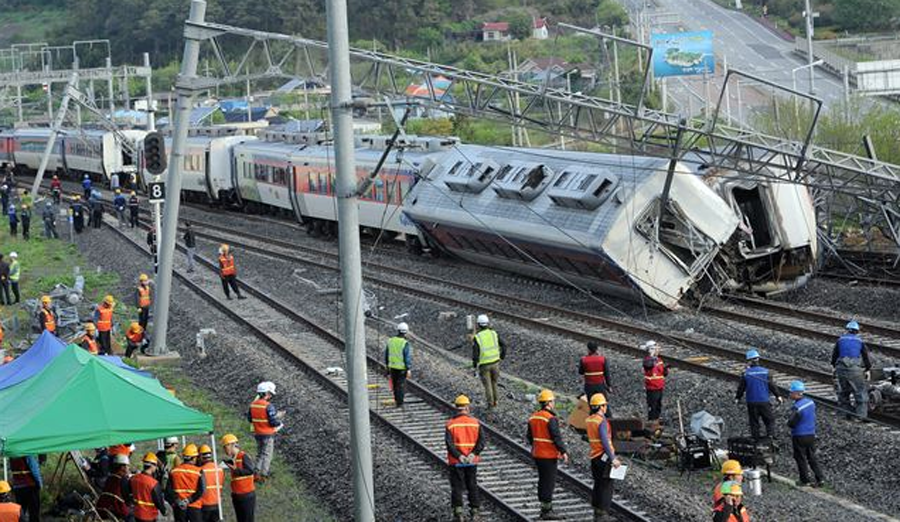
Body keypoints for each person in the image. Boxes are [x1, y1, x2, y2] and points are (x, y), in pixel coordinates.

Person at [526, 389, 568, 520]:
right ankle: (546, 510)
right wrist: (563, 451)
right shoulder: (551, 418)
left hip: (537, 454)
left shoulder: (533, 417)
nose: (554, 403)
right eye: (553, 401)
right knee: (548, 482)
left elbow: (529, 437)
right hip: (548, 455)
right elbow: (556, 437)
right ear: (549, 403)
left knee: (542, 479)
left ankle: (544, 507)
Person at [446, 395, 484, 522]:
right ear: (467, 407)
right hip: (472, 461)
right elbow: (481, 442)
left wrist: (459, 456)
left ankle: (459, 514)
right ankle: (475, 513)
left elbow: (449, 444)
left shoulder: (451, 424)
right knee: (472, 485)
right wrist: (473, 454)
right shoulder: (475, 423)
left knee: (457, 486)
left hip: (457, 461)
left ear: (456, 407)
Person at [586, 393, 620, 522]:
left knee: (598, 483)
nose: (606, 407)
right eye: (605, 405)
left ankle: (596, 511)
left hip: (594, 455)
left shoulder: (590, 419)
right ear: (601, 407)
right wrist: (613, 458)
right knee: (606, 485)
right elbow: (605, 441)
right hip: (604, 456)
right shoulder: (602, 421)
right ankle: (603, 514)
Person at [735, 349, 783, 440]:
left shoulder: (746, 374)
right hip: (764, 401)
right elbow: (772, 385)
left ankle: (756, 442)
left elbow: (741, 387)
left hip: (751, 402)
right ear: (758, 360)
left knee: (754, 422)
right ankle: (770, 438)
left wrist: (738, 397)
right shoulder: (766, 372)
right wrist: (778, 396)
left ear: (749, 361)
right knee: (769, 420)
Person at [832, 321, 872, 419]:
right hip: (855, 370)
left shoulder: (840, 340)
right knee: (860, 393)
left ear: (847, 330)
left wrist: (834, 366)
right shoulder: (859, 341)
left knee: (843, 392)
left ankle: (843, 415)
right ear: (857, 331)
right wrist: (868, 369)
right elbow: (865, 356)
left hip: (841, 368)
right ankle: (860, 417)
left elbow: (834, 355)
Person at [787, 381, 824, 488]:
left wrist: (788, 422)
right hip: (811, 434)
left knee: (800, 458)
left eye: (791, 392)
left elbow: (792, 423)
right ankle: (820, 478)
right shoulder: (811, 402)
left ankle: (805, 480)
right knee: (812, 457)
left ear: (797, 393)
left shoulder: (797, 407)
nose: (790, 394)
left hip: (799, 435)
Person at [248, 381, 283, 480]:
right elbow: (272, 422)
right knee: (267, 454)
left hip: (257, 433)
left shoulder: (253, 405)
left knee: (260, 453)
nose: (271, 396)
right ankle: (264, 474)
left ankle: (256, 472)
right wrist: (279, 421)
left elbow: (250, 419)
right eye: (270, 394)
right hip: (268, 434)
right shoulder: (268, 406)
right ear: (267, 393)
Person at [471, 314, 506, 408]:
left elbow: (475, 354)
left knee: (487, 385)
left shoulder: (477, 337)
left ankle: (490, 404)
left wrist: (474, 366)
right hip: (495, 363)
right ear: (487, 324)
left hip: (484, 365)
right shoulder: (494, 333)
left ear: (478, 325)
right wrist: (502, 356)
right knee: (494, 382)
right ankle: (496, 401)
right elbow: (504, 345)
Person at [221, 434, 256, 522]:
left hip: (246, 495)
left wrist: (236, 470)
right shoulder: (233, 459)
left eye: (225, 447)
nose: (225, 450)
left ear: (232, 445)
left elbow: (250, 470)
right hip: (237, 495)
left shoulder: (243, 456)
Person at [167, 444, 206, 522]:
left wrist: (177, 501)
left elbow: (168, 491)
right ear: (193, 458)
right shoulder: (198, 471)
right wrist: (188, 500)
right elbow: (202, 490)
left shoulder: (174, 471)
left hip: (179, 507)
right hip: (195, 507)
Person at [130, 453, 167, 522]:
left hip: (137, 514)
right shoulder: (153, 483)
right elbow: (158, 501)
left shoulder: (134, 478)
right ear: (153, 466)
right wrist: (164, 511)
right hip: (149, 515)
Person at [580, 341, 612, 416]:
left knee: (592, 404)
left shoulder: (583, 360)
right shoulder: (603, 359)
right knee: (604, 403)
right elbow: (607, 374)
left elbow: (580, 372)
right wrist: (609, 385)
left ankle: (594, 419)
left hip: (589, 386)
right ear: (597, 349)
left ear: (588, 350)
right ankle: (609, 420)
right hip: (600, 385)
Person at [385, 322, 412, 407]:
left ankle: (397, 400)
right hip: (401, 368)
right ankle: (400, 403)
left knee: (395, 385)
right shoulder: (404, 343)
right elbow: (406, 357)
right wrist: (408, 369)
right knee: (400, 386)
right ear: (406, 332)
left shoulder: (391, 341)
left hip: (392, 367)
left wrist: (387, 366)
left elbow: (387, 354)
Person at [96, 454, 131, 520]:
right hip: (116, 511)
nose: (128, 468)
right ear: (122, 467)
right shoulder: (122, 480)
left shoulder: (110, 478)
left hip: (103, 509)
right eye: (127, 466)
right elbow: (127, 499)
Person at [642, 340, 669, 425]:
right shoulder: (648, 360)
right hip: (652, 388)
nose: (658, 350)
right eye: (655, 349)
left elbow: (663, 373)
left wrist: (666, 369)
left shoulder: (659, 360)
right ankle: (651, 423)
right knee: (652, 407)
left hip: (659, 387)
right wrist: (652, 355)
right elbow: (648, 365)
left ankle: (656, 421)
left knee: (658, 406)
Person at [10, 456, 41, 522]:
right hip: (30, 486)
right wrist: (39, 483)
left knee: (21, 512)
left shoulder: (12, 455)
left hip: (18, 486)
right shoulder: (27, 454)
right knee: (34, 512)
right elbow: (34, 469)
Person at [198, 445, 224, 522]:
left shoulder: (200, 470)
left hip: (204, 504)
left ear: (201, 456)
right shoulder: (219, 469)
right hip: (217, 504)